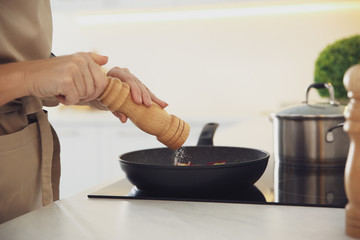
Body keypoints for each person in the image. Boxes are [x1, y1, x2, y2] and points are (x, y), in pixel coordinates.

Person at [0, 0, 167, 223]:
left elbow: (17, 56)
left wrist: (97, 87)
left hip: (24, 167)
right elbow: (26, 73)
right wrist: (28, 77)